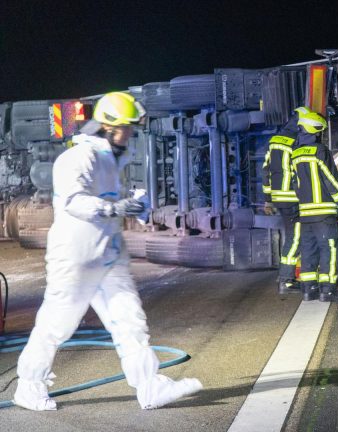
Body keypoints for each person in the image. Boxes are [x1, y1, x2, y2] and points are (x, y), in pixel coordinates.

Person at [14, 92, 202, 411]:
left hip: (108, 258)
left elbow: (111, 199)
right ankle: (29, 386)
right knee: (56, 326)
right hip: (75, 259)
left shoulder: (112, 159)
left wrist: (136, 207)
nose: (129, 133)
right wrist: (114, 207)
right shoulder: (78, 157)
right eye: (125, 127)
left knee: (130, 322)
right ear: (106, 126)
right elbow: (74, 201)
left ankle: (149, 386)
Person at [290, 111, 338, 302]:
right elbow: (330, 179)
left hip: (306, 214)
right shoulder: (320, 151)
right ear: (314, 130)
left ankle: (308, 290)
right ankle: (328, 290)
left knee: (308, 250)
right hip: (324, 213)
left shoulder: (295, 154)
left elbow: (294, 183)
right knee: (329, 250)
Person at [262, 106, 311, 294]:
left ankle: (288, 278)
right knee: (295, 237)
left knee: (293, 235)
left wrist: (268, 199)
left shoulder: (275, 140)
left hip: (279, 198)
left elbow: (266, 170)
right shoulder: (298, 140)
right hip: (293, 197)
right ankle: (286, 280)